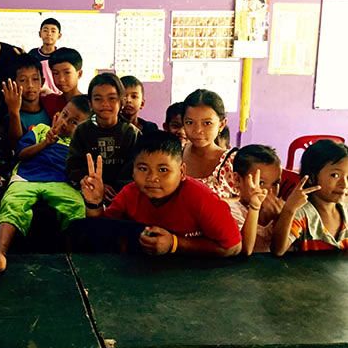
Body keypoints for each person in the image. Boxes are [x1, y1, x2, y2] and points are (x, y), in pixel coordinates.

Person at [74, 131, 242, 256]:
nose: (152, 178)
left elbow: (233, 247)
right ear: (132, 171)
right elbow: (100, 234)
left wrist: (175, 244)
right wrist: (94, 203)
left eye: (163, 170)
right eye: (142, 168)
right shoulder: (130, 194)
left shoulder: (201, 198)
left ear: (182, 172)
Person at [0, 95, 91, 254]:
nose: (65, 123)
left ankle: (74, 258)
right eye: (64, 115)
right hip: (26, 178)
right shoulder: (41, 129)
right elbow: (21, 154)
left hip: (61, 183)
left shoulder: (80, 144)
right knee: (11, 204)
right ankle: (0, 253)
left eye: (74, 122)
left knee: (78, 207)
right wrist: (45, 143)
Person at [66, 73, 139, 203]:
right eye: (98, 99)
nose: (105, 103)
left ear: (121, 101)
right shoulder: (82, 131)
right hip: (88, 190)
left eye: (112, 98)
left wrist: (116, 188)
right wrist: (97, 185)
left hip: (124, 193)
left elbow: (136, 169)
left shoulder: (131, 133)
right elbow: (73, 167)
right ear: (90, 104)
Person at [272, 139, 348, 255]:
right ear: (312, 177)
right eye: (335, 175)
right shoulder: (302, 213)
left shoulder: (345, 210)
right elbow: (278, 250)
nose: (344, 184)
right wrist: (289, 210)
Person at [181, 89, 237, 199]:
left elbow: (248, 200)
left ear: (221, 124)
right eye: (189, 122)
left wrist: (217, 203)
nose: (197, 130)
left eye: (207, 123)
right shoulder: (174, 155)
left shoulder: (232, 163)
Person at [229, 145, 282, 254]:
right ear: (237, 179)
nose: (269, 191)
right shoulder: (233, 212)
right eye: (260, 183)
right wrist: (255, 208)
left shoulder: (279, 210)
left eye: (275, 184)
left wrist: (283, 218)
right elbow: (246, 250)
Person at [2, 54, 50, 148]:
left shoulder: (50, 108)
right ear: (13, 84)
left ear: (42, 82)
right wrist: (14, 112)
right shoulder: (11, 117)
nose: (30, 85)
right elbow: (16, 146)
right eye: (23, 80)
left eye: (35, 79)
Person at [41, 47, 84, 119]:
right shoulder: (50, 101)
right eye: (56, 73)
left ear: (79, 74)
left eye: (67, 72)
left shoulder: (88, 104)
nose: (61, 79)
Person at [29, 18, 62, 94]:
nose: (49, 34)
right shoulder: (33, 54)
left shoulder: (61, 55)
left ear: (59, 36)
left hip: (57, 96)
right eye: (45, 30)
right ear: (40, 34)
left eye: (53, 31)